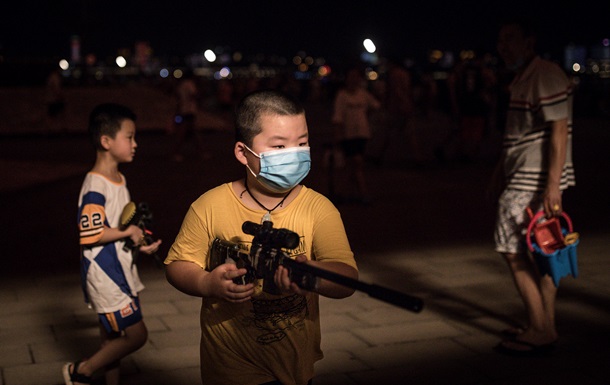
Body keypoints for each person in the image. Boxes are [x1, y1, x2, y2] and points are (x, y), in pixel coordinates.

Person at [164, 89, 358, 385]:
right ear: (243, 152)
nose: (294, 154)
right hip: (230, 363)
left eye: (302, 143)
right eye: (279, 147)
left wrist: (312, 276)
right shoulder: (209, 206)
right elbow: (177, 264)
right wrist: (207, 282)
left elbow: (347, 277)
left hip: (294, 363)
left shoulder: (320, 209)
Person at [490, 16, 575, 356]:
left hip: (533, 182)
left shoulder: (545, 74)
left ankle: (540, 328)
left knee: (512, 251)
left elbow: (559, 130)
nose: (503, 46)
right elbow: (519, 137)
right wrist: (499, 173)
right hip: (527, 178)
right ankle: (544, 325)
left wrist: (552, 186)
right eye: (500, 40)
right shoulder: (525, 78)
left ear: (529, 42)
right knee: (544, 251)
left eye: (510, 38)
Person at [64, 103, 162, 385]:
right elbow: (91, 234)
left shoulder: (119, 178)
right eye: (129, 137)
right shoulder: (95, 185)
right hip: (106, 274)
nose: (135, 143)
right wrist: (128, 231)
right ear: (106, 141)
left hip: (119, 269)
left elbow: (118, 226)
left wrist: (138, 241)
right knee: (136, 336)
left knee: (112, 337)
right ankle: (80, 371)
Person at [331, 67, 381, 204]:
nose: (353, 80)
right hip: (348, 134)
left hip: (362, 134)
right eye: (351, 76)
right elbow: (338, 117)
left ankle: (342, 192)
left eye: (356, 77)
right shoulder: (342, 95)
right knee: (356, 163)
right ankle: (363, 194)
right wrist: (337, 135)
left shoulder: (363, 94)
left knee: (353, 165)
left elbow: (376, 106)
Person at [171, 70, 209, 162]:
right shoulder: (189, 84)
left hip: (184, 110)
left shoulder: (181, 85)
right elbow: (193, 95)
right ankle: (177, 152)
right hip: (189, 110)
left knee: (190, 132)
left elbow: (178, 97)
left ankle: (200, 151)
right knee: (187, 132)